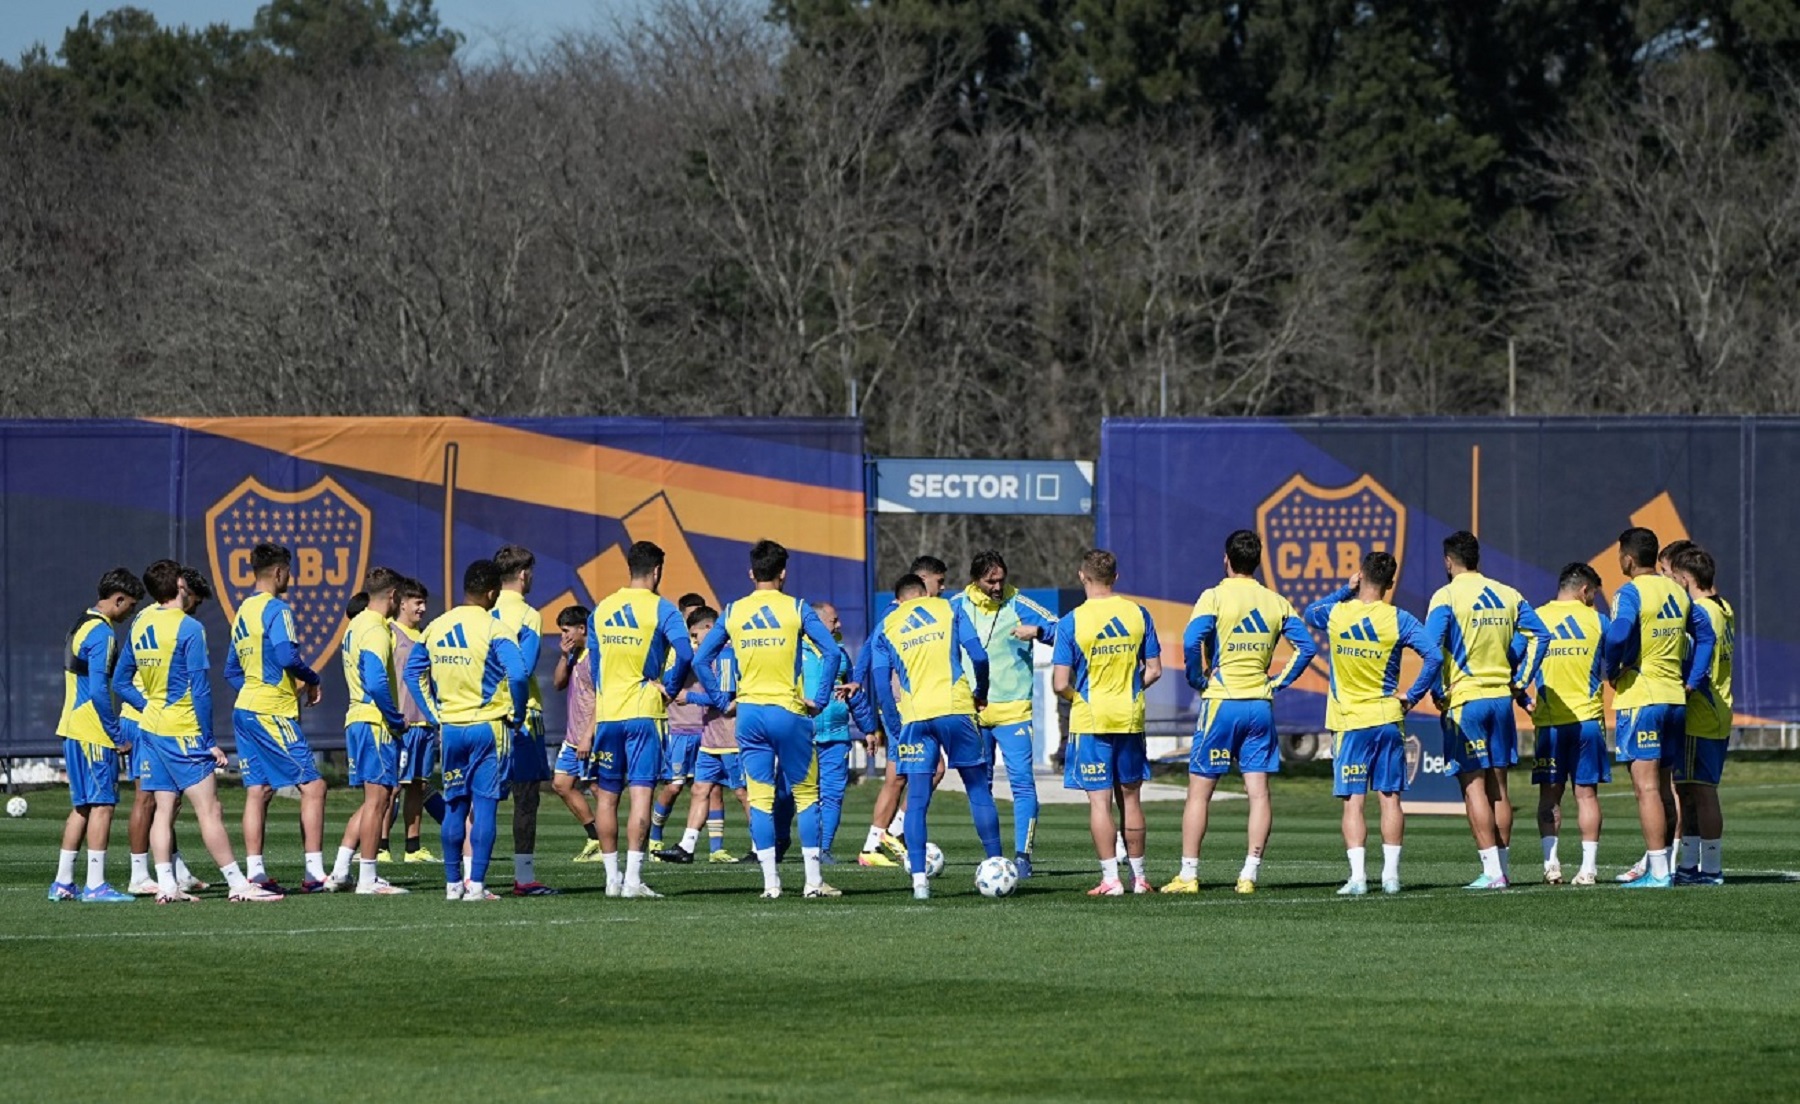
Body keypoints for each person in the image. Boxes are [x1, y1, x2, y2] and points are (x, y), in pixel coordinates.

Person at [113, 560, 282, 903]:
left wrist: (148, 707)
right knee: (209, 809)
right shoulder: (188, 628)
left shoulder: (142, 619)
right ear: (178, 583)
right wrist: (208, 741)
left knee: (163, 809)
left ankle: (168, 886)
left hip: (150, 729)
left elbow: (119, 680)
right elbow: (201, 691)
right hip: (183, 728)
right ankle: (238, 883)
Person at [1163, 530, 1317, 895]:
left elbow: (1190, 640)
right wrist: (1277, 683)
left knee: (1200, 792)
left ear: (1226, 559)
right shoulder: (1275, 601)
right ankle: (1249, 874)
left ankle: (1188, 875)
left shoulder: (1214, 596)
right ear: (1257, 562)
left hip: (1222, 703)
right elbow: (1307, 647)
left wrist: (1197, 677)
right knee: (1259, 793)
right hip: (1259, 706)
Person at [694, 539, 843, 899]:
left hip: (749, 716)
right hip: (789, 712)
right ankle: (812, 882)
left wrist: (722, 699)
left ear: (751, 573)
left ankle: (770, 884)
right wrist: (820, 699)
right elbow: (833, 651)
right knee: (807, 796)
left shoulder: (733, 611)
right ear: (783, 573)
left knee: (760, 799)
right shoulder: (797, 608)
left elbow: (700, 661)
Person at [1306, 553, 1442, 894]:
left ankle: (1357, 878)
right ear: (1390, 584)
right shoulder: (1400, 619)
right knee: (1390, 798)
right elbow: (1434, 656)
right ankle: (1391, 877)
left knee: (1353, 800)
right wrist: (1411, 696)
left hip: (1350, 721)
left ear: (1360, 575)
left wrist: (1343, 589)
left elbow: (1310, 613)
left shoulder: (1338, 612)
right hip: (1386, 719)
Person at [858, 574, 1000, 900]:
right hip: (956, 708)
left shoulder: (888, 625)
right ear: (923, 592)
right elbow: (979, 656)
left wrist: (894, 728)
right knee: (977, 788)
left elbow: (881, 685)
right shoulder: (949, 609)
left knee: (917, 801)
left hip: (914, 718)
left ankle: (919, 881)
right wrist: (981, 691)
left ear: (900, 599)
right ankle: (995, 861)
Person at [1423, 531, 1551, 890]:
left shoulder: (1445, 596)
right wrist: (1518, 681)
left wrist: (1435, 691)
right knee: (1499, 788)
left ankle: (1492, 871)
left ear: (1449, 561)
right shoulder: (1508, 594)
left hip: (1468, 701)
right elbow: (1541, 635)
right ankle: (1502, 868)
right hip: (1500, 701)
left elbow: (1431, 650)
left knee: (1473, 787)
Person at [404, 559, 529, 902]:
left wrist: (434, 715)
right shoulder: (495, 627)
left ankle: (452, 884)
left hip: (452, 729)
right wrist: (517, 713)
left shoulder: (437, 625)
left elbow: (412, 673)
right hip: (489, 727)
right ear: (492, 593)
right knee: (485, 807)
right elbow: (518, 675)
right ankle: (476, 886)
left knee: (455, 804)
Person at [1605, 527, 1715, 890]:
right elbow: (1706, 636)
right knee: (1665, 788)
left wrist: (1612, 667)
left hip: (1643, 696)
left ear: (1629, 558)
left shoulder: (1630, 592)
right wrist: (1695, 678)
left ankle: (1657, 871)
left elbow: (1619, 634)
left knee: (1646, 789)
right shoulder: (1677, 591)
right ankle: (1663, 865)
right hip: (1674, 699)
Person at [1051, 549, 1162, 896]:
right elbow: (1155, 669)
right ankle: (1140, 878)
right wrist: (1130, 690)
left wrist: (1079, 699)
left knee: (1100, 802)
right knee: (1131, 800)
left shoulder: (1072, 621)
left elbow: (1059, 683)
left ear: (1082, 577)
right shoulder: (1138, 614)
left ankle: (1111, 880)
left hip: (1090, 719)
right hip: (1128, 717)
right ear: (1116, 577)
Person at [586, 541, 693, 898]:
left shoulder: (601, 610)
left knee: (606, 797)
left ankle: (610, 879)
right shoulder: (662, 609)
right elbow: (687, 651)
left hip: (608, 713)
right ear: (658, 571)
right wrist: (670, 685)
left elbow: (595, 666)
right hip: (644, 713)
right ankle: (633, 880)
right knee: (642, 794)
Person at [224, 542, 329, 892]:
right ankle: (314, 873)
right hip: (271, 710)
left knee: (259, 789)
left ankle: (254, 873)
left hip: (245, 709)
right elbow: (287, 656)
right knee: (314, 786)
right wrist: (311, 679)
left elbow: (231, 671)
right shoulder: (276, 609)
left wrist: (256, 688)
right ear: (280, 572)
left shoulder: (243, 612)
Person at [948, 551, 1058, 879]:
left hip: (1014, 712)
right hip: (972, 712)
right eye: (989, 581)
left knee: (1022, 784)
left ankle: (1023, 856)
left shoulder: (1019, 602)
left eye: (1001, 579)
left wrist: (1037, 632)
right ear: (974, 580)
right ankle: (994, 858)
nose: (997, 586)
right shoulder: (955, 606)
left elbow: (1061, 629)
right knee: (980, 786)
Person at [50, 567, 145, 902]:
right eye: (130, 606)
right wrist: (116, 734)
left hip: (72, 727)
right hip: (93, 731)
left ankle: (63, 882)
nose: (130, 612)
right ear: (117, 599)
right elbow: (100, 692)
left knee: (83, 806)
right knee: (102, 804)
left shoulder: (80, 622)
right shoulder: (102, 634)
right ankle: (95, 885)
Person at [123, 569, 213, 895]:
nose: (193, 608)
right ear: (181, 588)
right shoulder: (166, 622)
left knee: (167, 802)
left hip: (156, 716)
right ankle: (138, 873)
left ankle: (173, 870)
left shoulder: (153, 618)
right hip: (149, 717)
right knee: (149, 799)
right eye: (194, 601)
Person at [857, 555, 950, 867]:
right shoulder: (897, 613)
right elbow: (870, 651)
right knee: (930, 769)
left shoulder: (924, 611)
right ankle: (893, 833)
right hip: (903, 706)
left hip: (910, 705)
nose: (943, 588)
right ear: (923, 583)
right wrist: (858, 685)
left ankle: (873, 845)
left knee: (897, 777)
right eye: (939, 582)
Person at [1524, 563, 1612, 887]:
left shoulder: (1535, 617)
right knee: (1586, 795)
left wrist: (1522, 697)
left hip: (1550, 723)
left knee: (1550, 796)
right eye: (1593, 597)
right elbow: (1614, 661)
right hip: (1588, 720)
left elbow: (1519, 662)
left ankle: (1552, 865)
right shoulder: (1599, 621)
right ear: (1585, 591)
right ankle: (1588, 869)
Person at [324, 570, 409, 895]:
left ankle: (342, 870)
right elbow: (375, 680)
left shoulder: (355, 624)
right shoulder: (374, 627)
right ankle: (368, 879)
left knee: (377, 797)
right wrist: (394, 717)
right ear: (391, 596)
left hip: (357, 718)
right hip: (374, 721)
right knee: (378, 801)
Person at [491, 544, 556, 896]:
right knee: (526, 798)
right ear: (523, 574)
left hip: (482, 713)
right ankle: (524, 876)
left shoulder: (483, 610)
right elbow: (525, 667)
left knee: (478, 798)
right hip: (522, 715)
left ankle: (470, 876)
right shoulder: (529, 614)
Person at [666, 606, 752, 863]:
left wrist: (689, 697)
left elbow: (725, 700)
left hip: (730, 738)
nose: (694, 642)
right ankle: (687, 847)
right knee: (700, 789)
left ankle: (762, 846)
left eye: (695, 635)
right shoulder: (708, 657)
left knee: (742, 793)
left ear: (709, 629)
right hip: (710, 737)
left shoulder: (726, 655)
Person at [1671, 545, 1733, 886]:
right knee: (1691, 790)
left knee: (1701, 791)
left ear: (1685, 579)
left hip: (1700, 713)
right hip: (1719, 710)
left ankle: (1710, 869)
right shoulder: (1723, 607)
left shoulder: (1701, 614)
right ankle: (1690, 865)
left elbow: (1698, 664)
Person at [384, 577, 444, 863]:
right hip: (400, 724)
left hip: (425, 724)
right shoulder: (389, 632)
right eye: (417, 602)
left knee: (417, 787)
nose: (422, 608)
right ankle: (380, 848)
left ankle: (412, 848)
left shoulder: (428, 636)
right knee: (391, 787)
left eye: (424, 602)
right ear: (402, 603)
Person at [804, 601, 857, 864]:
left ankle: (824, 849)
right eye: (833, 620)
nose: (839, 625)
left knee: (833, 795)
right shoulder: (794, 651)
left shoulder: (841, 654)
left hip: (836, 736)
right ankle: (777, 846)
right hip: (802, 736)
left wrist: (868, 728)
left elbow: (853, 693)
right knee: (788, 795)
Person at [549, 605, 603, 862]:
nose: (564, 636)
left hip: (589, 736)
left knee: (599, 788)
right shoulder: (574, 655)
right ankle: (596, 837)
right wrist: (563, 656)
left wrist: (588, 735)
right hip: (573, 737)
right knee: (561, 784)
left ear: (582, 629)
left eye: (566, 630)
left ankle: (609, 844)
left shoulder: (595, 657)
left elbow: (603, 700)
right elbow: (558, 683)